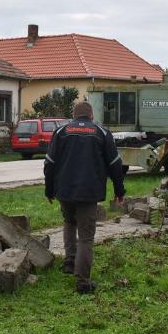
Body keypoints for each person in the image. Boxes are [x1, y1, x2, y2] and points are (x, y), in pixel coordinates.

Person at [44, 101, 126, 294]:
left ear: (73, 115)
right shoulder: (102, 133)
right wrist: (119, 191)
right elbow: (115, 164)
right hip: (89, 193)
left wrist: (49, 190)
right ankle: (82, 282)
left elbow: (49, 164)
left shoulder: (61, 132)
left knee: (69, 222)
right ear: (91, 116)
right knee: (86, 237)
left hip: (64, 191)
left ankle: (69, 263)